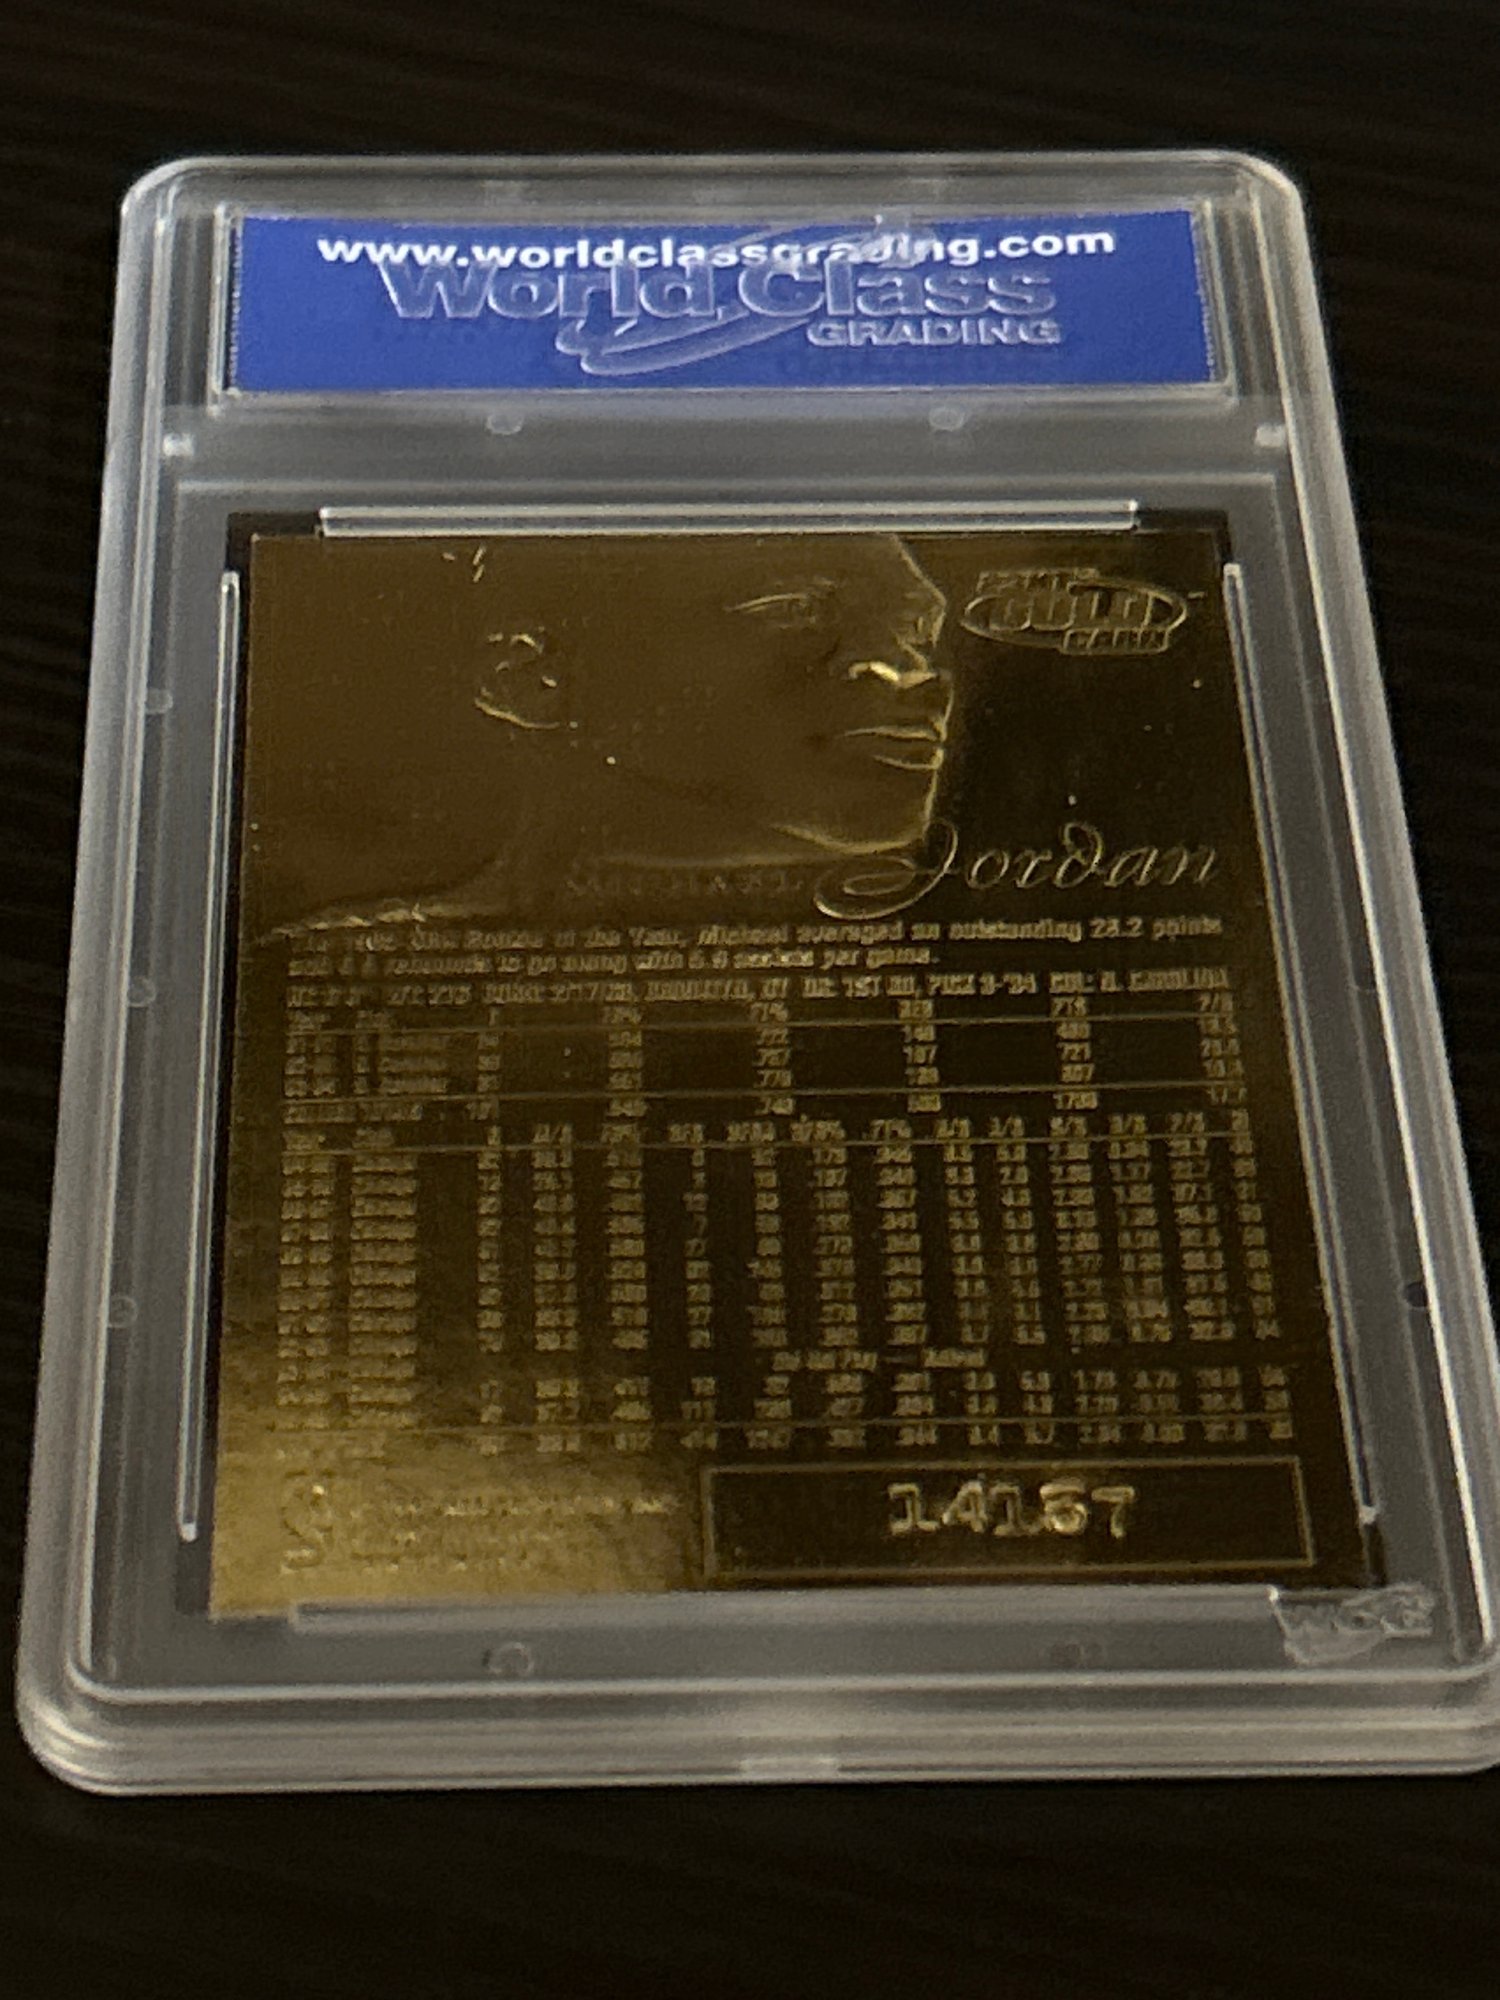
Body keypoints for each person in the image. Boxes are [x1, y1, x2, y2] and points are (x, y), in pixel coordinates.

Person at [237, 529, 952, 932]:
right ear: (527, 677)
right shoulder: (345, 956)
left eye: (919, 630)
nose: (914, 673)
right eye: (793, 610)